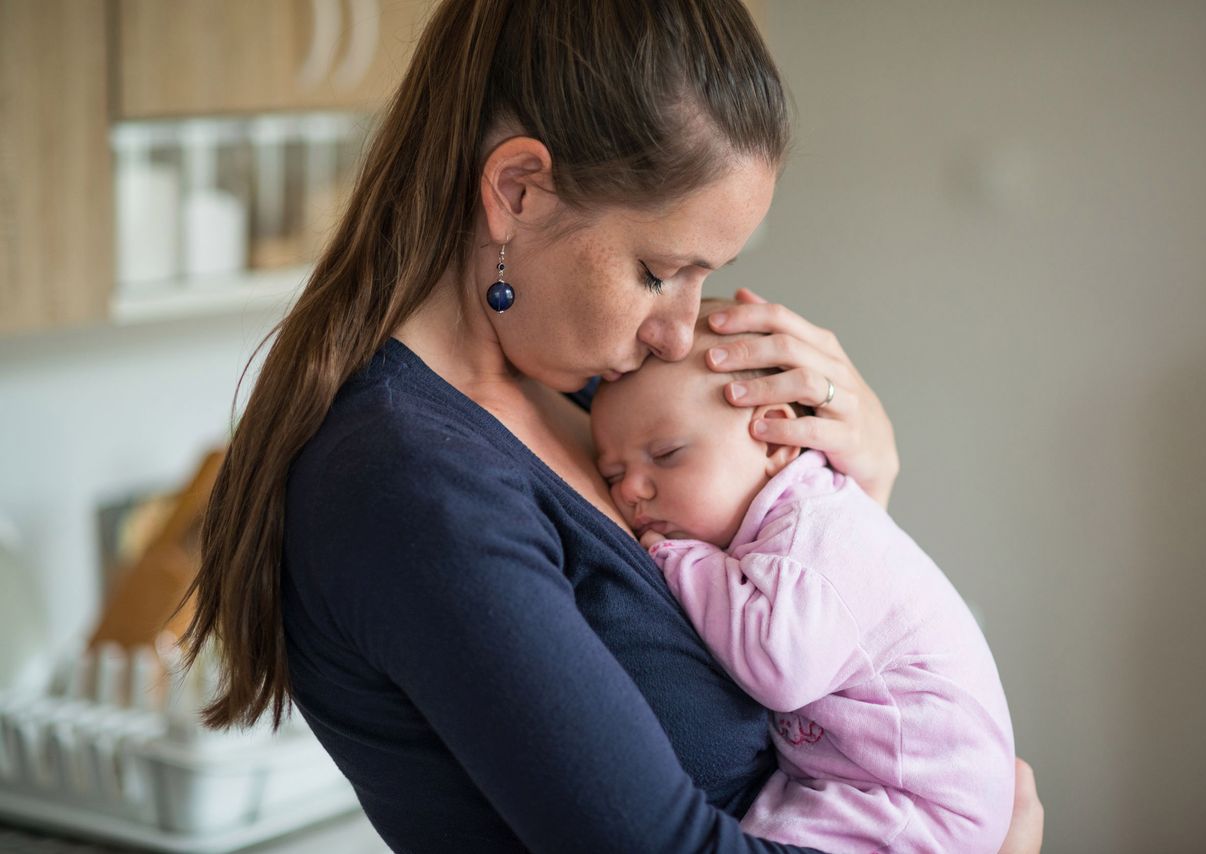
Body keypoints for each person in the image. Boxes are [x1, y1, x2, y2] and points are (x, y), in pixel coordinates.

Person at [176, 1, 1044, 851]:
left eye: (708, 276)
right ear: (517, 191)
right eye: (660, 271)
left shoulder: (597, 405)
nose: (678, 329)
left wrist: (858, 487)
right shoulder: (413, 486)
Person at [590, 302, 1016, 853]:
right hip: (855, 783)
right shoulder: (784, 519)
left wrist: (680, 557)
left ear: (774, 440)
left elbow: (779, 665)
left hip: (913, 802)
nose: (631, 491)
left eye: (667, 455)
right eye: (613, 474)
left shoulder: (812, 530)